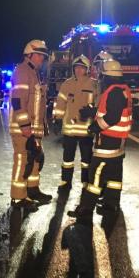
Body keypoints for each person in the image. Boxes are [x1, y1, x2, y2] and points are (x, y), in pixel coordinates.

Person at [67, 59, 133, 224]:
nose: (100, 79)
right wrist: (92, 111)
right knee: (114, 177)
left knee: (95, 176)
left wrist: (94, 127)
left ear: (107, 76)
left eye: (102, 75)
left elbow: (112, 117)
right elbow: (111, 110)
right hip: (117, 144)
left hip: (107, 144)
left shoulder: (113, 92)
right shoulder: (122, 89)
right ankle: (111, 205)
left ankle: (85, 209)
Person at [9, 40, 52, 210]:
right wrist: (25, 126)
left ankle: (33, 190)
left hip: (33, 128)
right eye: (39, 55)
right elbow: (18, 101)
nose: (42, 59)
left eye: (43, 56)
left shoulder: (33, 73)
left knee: (34, 159)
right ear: (29, 54)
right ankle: (18, 197)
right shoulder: (22, 71)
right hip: (23, 129)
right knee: (23, 160)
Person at [52, 55, 98, 194]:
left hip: (86, 129)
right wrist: (57, 119)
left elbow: (99, 102)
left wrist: (93, 112)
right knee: (67, 159)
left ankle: (86, 181)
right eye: (76, 67)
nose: (79, 70)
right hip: (70, 130)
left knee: (86, 159)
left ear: (87, 69)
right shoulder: (67, 84)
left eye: (82, 68)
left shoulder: (94, 84)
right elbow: (61, 103)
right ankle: (66, 182)